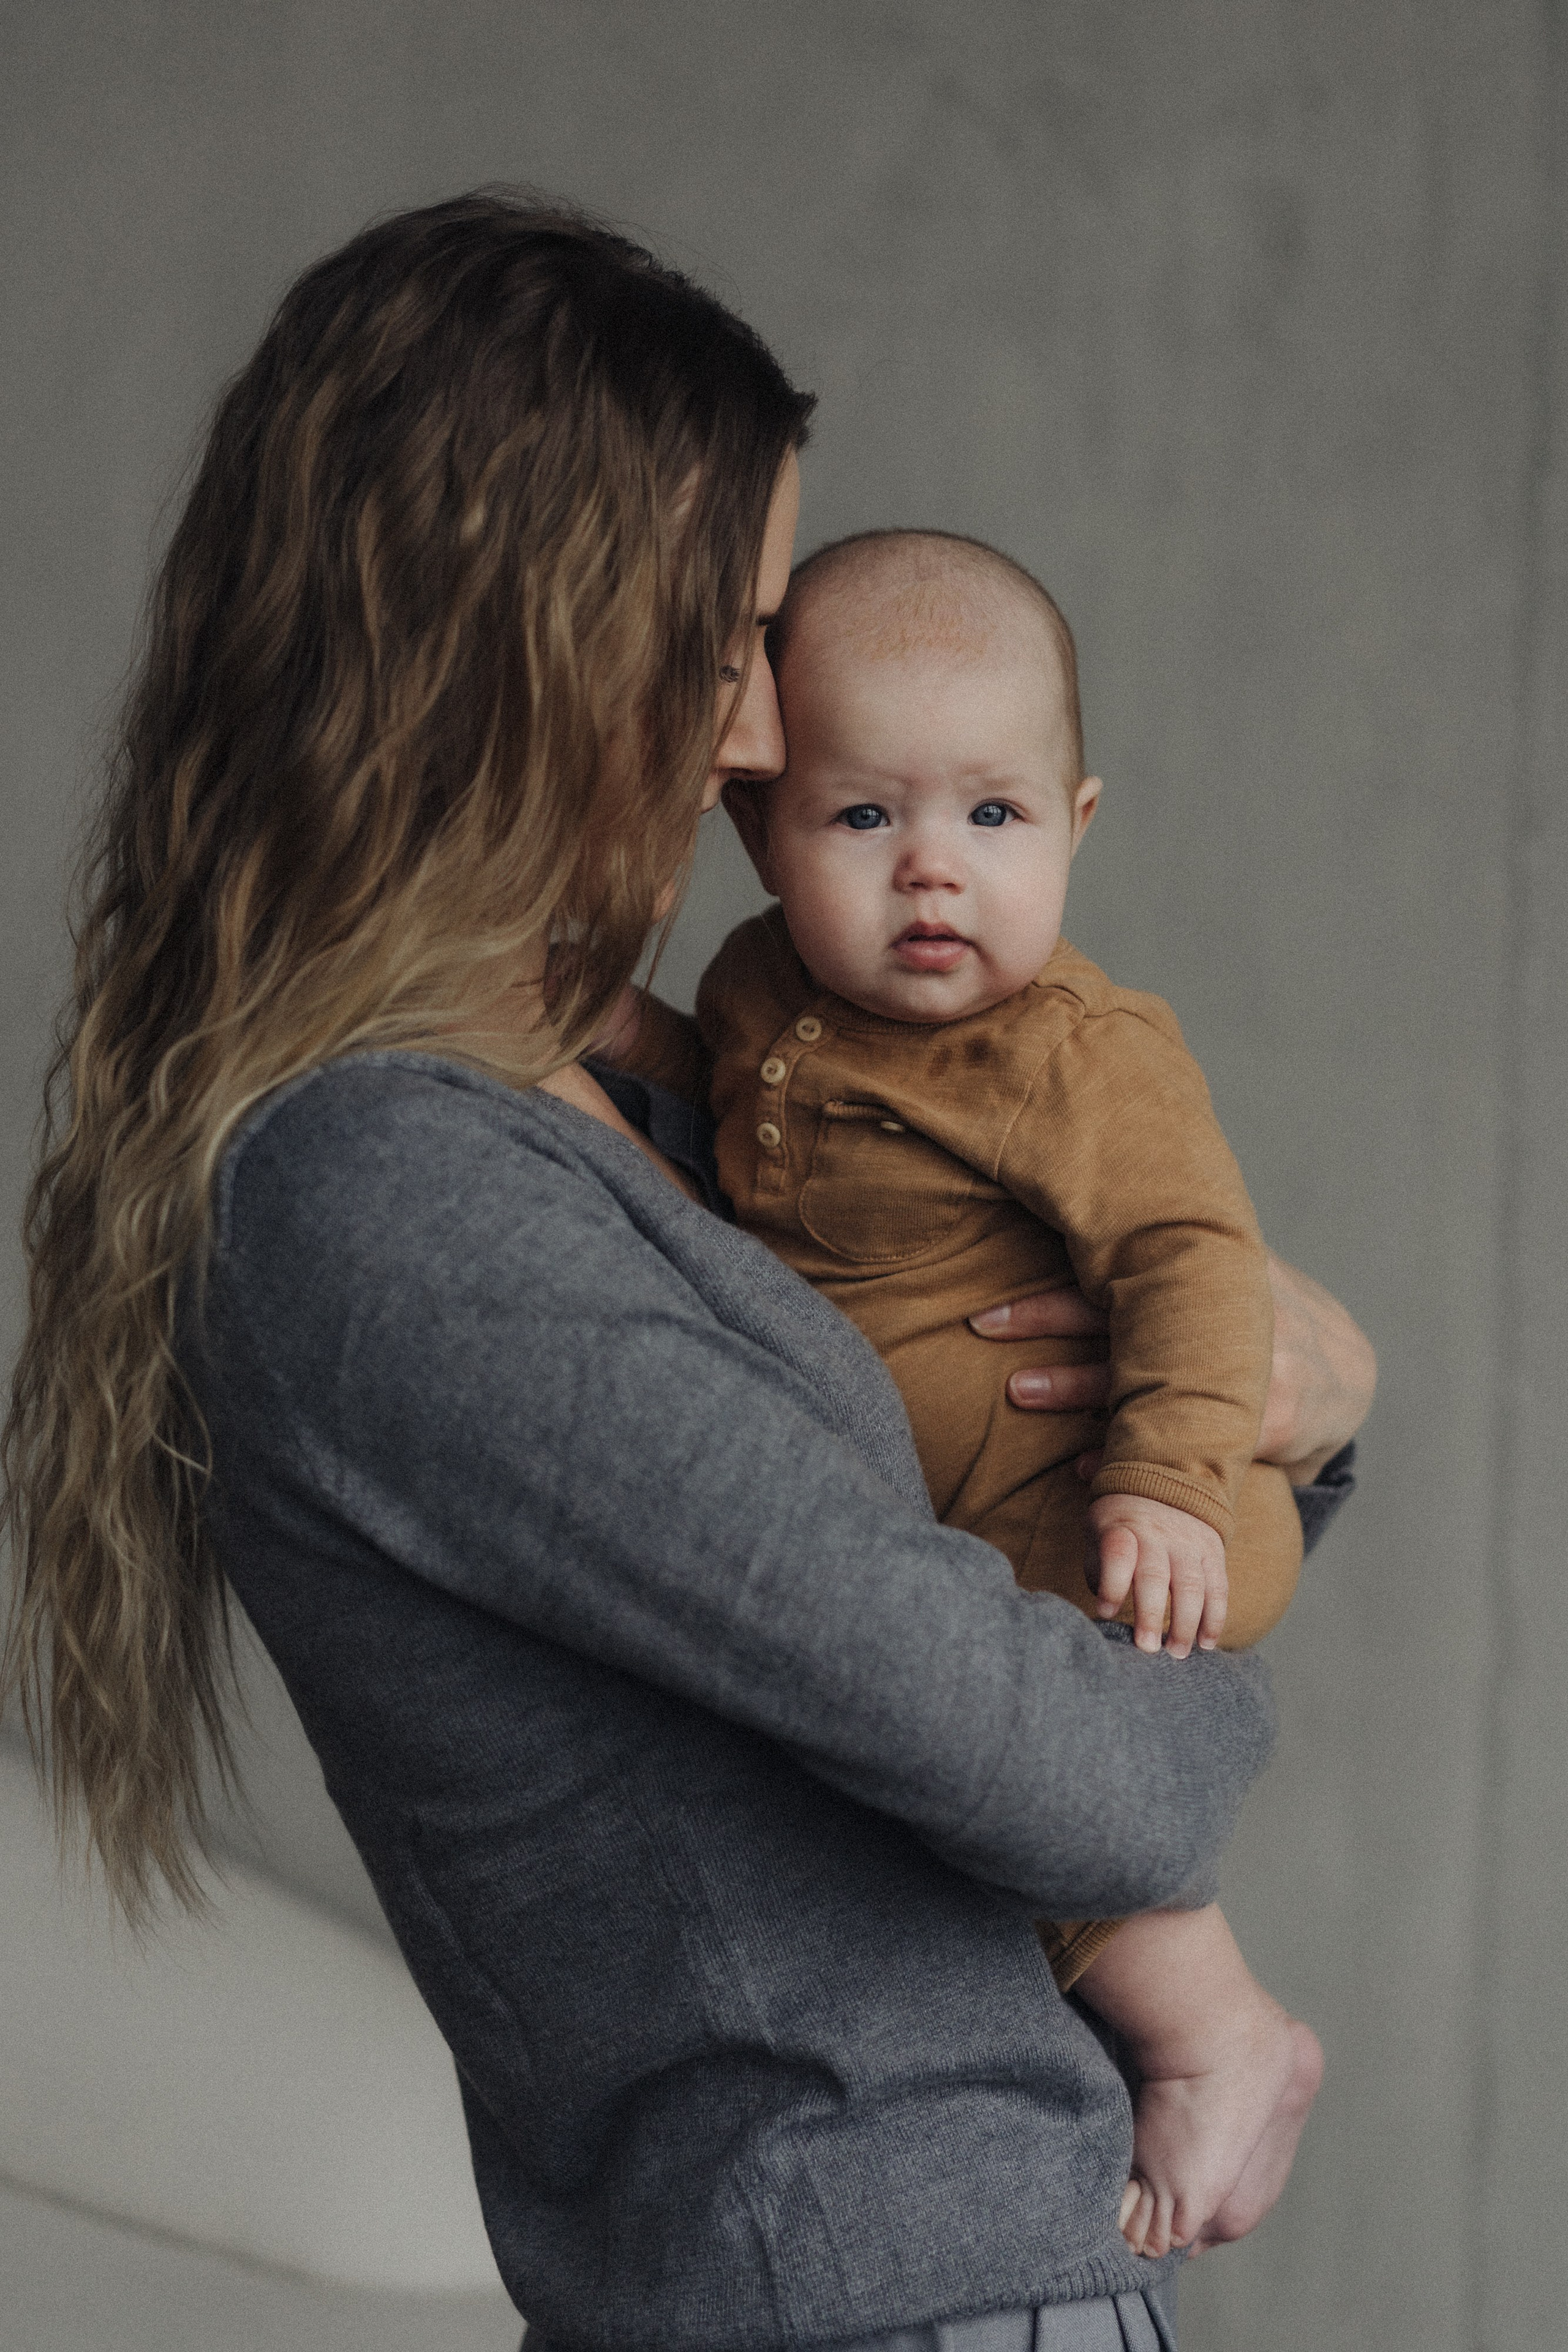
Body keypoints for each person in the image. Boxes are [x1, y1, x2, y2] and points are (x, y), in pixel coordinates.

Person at [1, 194, 1373, 2352]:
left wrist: (1310, 1389)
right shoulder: (386, 1192)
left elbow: (997, 1482)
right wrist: (1184, 1671)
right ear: (523, 638)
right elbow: (1058, 1768)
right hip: (844, 2290)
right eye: (725, 640)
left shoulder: (638, 1080)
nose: (762, 737)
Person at [608, 527, 1331, 2264]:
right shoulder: (761, 988)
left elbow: (1192, 1255)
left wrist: (1164, 1478)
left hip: (1099, 1508)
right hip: (957, 1515)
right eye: (866, 817)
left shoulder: (1071, 1053)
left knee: (979, 1733)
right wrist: (580, 1023)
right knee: (913, 1742)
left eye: (993, 818)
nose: (934, 871)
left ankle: (1217, 2028)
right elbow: (714, 1109)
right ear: (762, 833)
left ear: (1076, 824)